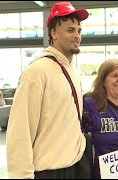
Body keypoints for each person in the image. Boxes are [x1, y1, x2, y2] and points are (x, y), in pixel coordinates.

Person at [5, 2, 89, 179]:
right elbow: (20, 131)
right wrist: (22, 176)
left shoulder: (72, 71)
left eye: (79, 31)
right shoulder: (37, 72)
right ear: (53, 33)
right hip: (49, 171)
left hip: (76, 165)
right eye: (70, 30)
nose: (77, 35)